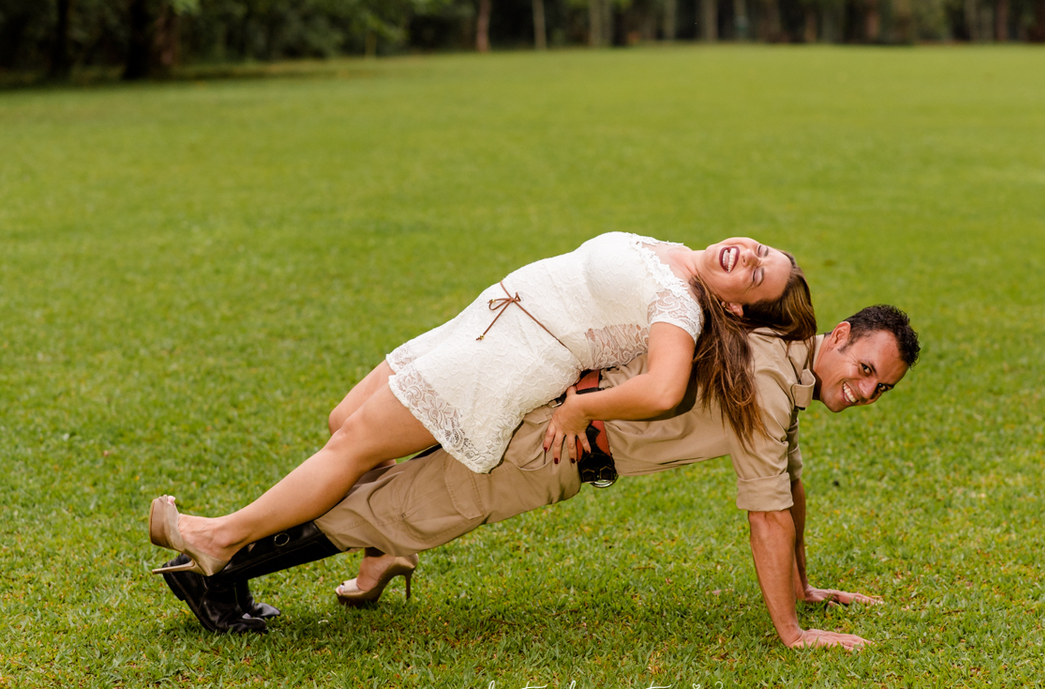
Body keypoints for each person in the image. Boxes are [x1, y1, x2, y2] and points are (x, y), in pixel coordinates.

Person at [158, 305, 919, 650]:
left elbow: (788, 487)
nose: (863, 391)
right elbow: (768, 513)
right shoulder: (772, 385)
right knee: (395, 511)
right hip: (551, 447)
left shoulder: (779, 349)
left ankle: (224, 560)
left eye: (879, 388)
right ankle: (211, 571)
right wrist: (792, 631)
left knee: (383, 492)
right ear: (840, 336)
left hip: (550, 408)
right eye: (863, 369)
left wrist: (803, 585)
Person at [150, 233, 815, 577]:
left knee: (350, 447)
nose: (747, 257)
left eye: (756, 275)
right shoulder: (678, 256)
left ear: (735, 308)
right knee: (344, 420)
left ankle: (219, 537)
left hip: (500, 360)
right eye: (759, 250)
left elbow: (665, 389)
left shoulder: (680, 304)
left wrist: (580, 410)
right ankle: (385, 550)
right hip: (484, 320)